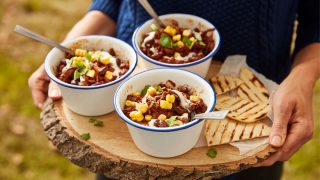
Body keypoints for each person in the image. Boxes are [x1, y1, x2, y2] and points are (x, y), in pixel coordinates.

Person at [28, 0, 319, 179]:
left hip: (263, 105)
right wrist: (73, 49)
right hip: (131, 106)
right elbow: (111, 3)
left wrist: (304, 77)